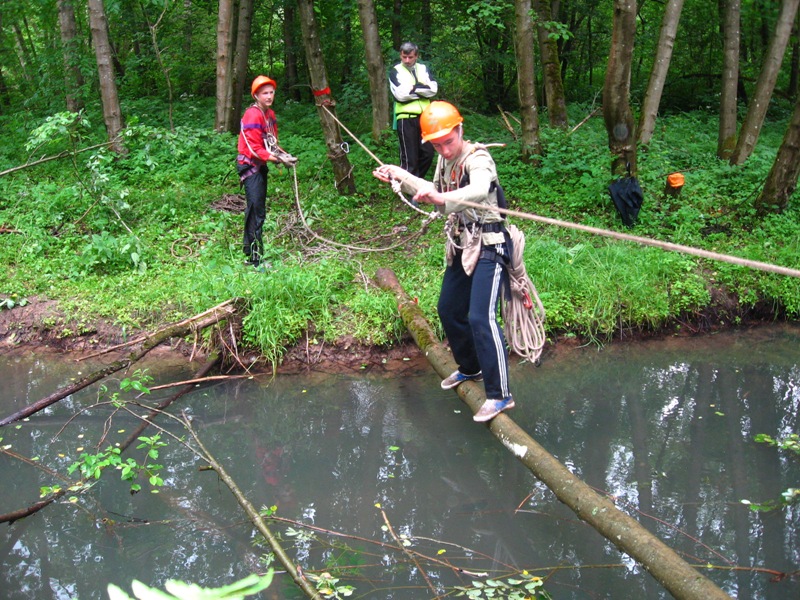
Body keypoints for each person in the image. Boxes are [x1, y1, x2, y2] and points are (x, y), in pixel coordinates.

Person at [373, 101, 514, 422]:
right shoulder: (443, 162)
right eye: (437, 145)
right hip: (463, 243)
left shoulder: (479, 158)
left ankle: (500, 395)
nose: (445, 149)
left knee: (481, 317)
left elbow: (479, 189)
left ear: (460, 131)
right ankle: (470, 367)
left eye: (448, 142)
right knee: (448, 309)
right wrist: (398, 174)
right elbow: (431, 190)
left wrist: (443, 199)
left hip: (490, 245)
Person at [237, 75, 297, 268]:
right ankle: (254, 259)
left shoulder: (270, 115)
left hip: (259, 166)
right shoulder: (252, 115)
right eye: (265, 93)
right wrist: (278, 159)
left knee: (258, 210)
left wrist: (284, 155)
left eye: (271, 92)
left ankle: (253, 255)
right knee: (256, 211)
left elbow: (272, 144)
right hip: (250, 166)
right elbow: (254, 148)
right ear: (256, 95)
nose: (269, 96)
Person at [389, 42, 438, 179]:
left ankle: (416, 183)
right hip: (405, 118)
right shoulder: (395, 71)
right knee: (410, 157)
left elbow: (433, 89)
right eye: (404, 57)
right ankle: (408, 190)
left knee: (428, 154)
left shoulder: (423, 69)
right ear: (400, 55)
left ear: (416, 56)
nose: (407, 60)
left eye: (410, 57)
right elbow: (400, 95)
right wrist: (422, 89)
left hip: (425, 117)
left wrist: (412, 88)